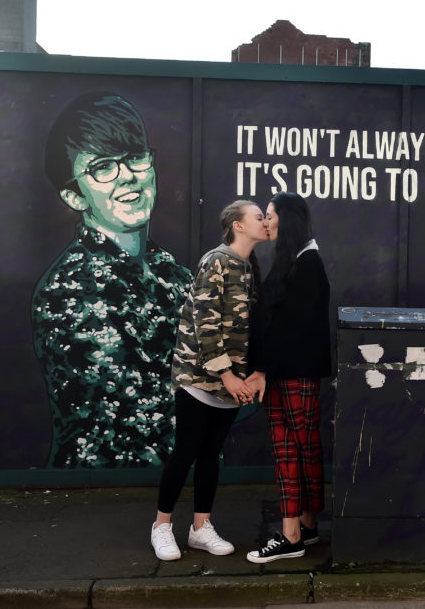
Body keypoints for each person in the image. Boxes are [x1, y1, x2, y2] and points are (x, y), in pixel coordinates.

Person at [32, 92, 192, 468]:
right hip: (101, 493)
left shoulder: (174, 273)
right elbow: (147, 416)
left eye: (135, 157)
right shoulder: (69, 291)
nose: (128, 176)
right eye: (103, 167)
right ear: (74, 196)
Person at [150, 199, 268, 561]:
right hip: (198, 377)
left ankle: (201, 528)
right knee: (185, 450)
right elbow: (206, 322)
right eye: (258, 217)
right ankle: (161, 526)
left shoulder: (251, 266)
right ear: (238, 225)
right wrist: (227, 375)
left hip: (231, 383)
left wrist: (251, 373)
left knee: (210, 455)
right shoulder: (216, 260)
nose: (265, 223)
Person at [244, 192, 332, 564]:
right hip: (292, 373)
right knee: (302, 447)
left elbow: (289, 329)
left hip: (290, 373)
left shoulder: (306, 263)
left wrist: (260, 369)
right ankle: (306, 525)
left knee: (289, 451)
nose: (265, 221)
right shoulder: (300, 259)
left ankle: (291, 535)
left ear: (287, 219)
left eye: (269, 215)